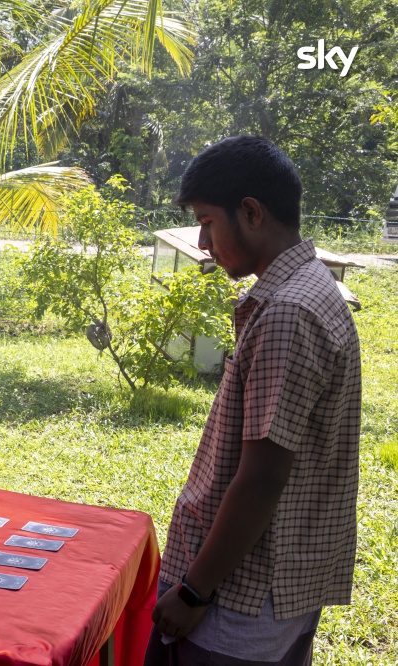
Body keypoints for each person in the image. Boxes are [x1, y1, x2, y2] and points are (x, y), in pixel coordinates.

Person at [144, 135, 361, 665]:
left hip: (238, 599)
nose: (201, 240)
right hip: (282, 587)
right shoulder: (314, 288)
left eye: (208, 221)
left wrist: (195, 591)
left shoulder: (287, 311)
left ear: (251, 212)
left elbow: (263, 475)